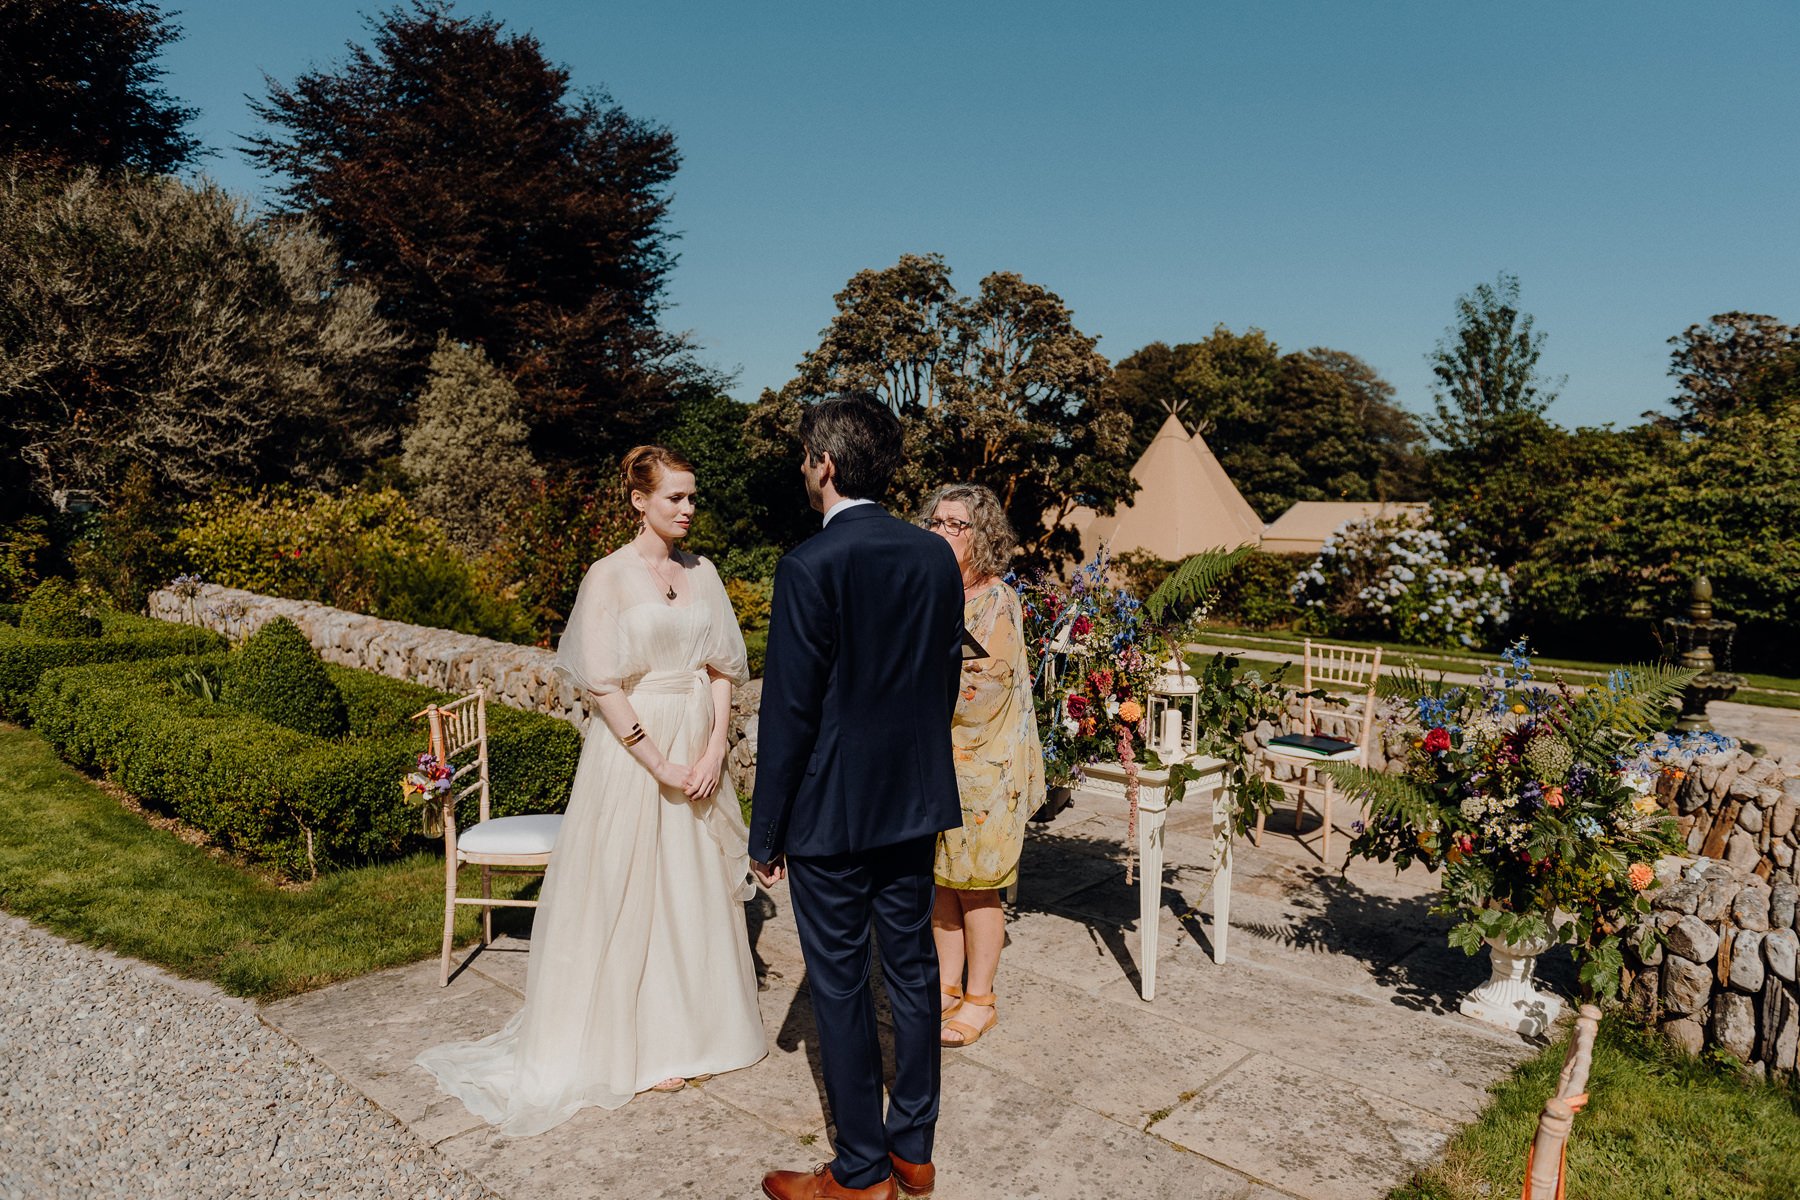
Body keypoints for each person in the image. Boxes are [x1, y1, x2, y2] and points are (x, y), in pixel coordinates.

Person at [414, 445, 765, 1136]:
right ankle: (644, 1041)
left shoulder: (707, 572)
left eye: (694, 497)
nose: (689, 509)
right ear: (639, 501)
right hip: (636, 753)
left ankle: (701, 1027)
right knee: (632, 888)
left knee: (692, 886)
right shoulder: (607, 577)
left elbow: (724, 667)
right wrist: (661, 763)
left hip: (699, 741)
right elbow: (603, 684)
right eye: (675, 498)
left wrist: (715, 746)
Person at [750, 398, 964, 1200]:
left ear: (826, 464)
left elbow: (790, 711)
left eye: (806, 456)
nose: (803, 469)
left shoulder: (810, 564)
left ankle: (862, 1171)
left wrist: (765, 830)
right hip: (910, 800)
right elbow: (940, 683)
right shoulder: (935, 558)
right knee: (910, 970)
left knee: (839, 983)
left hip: (830, 812)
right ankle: (915, 1149)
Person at [916, 484, 1044, 1049]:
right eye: (937, 522)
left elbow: (982, 692)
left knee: (977, 888)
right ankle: (945, 985)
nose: (943, 532)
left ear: (983, 535)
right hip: (937, 761)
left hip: (989, 768)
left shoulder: (998, 601)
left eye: (956, 524)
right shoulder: (931, 591)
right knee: (941, 881)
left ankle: (981, 998)